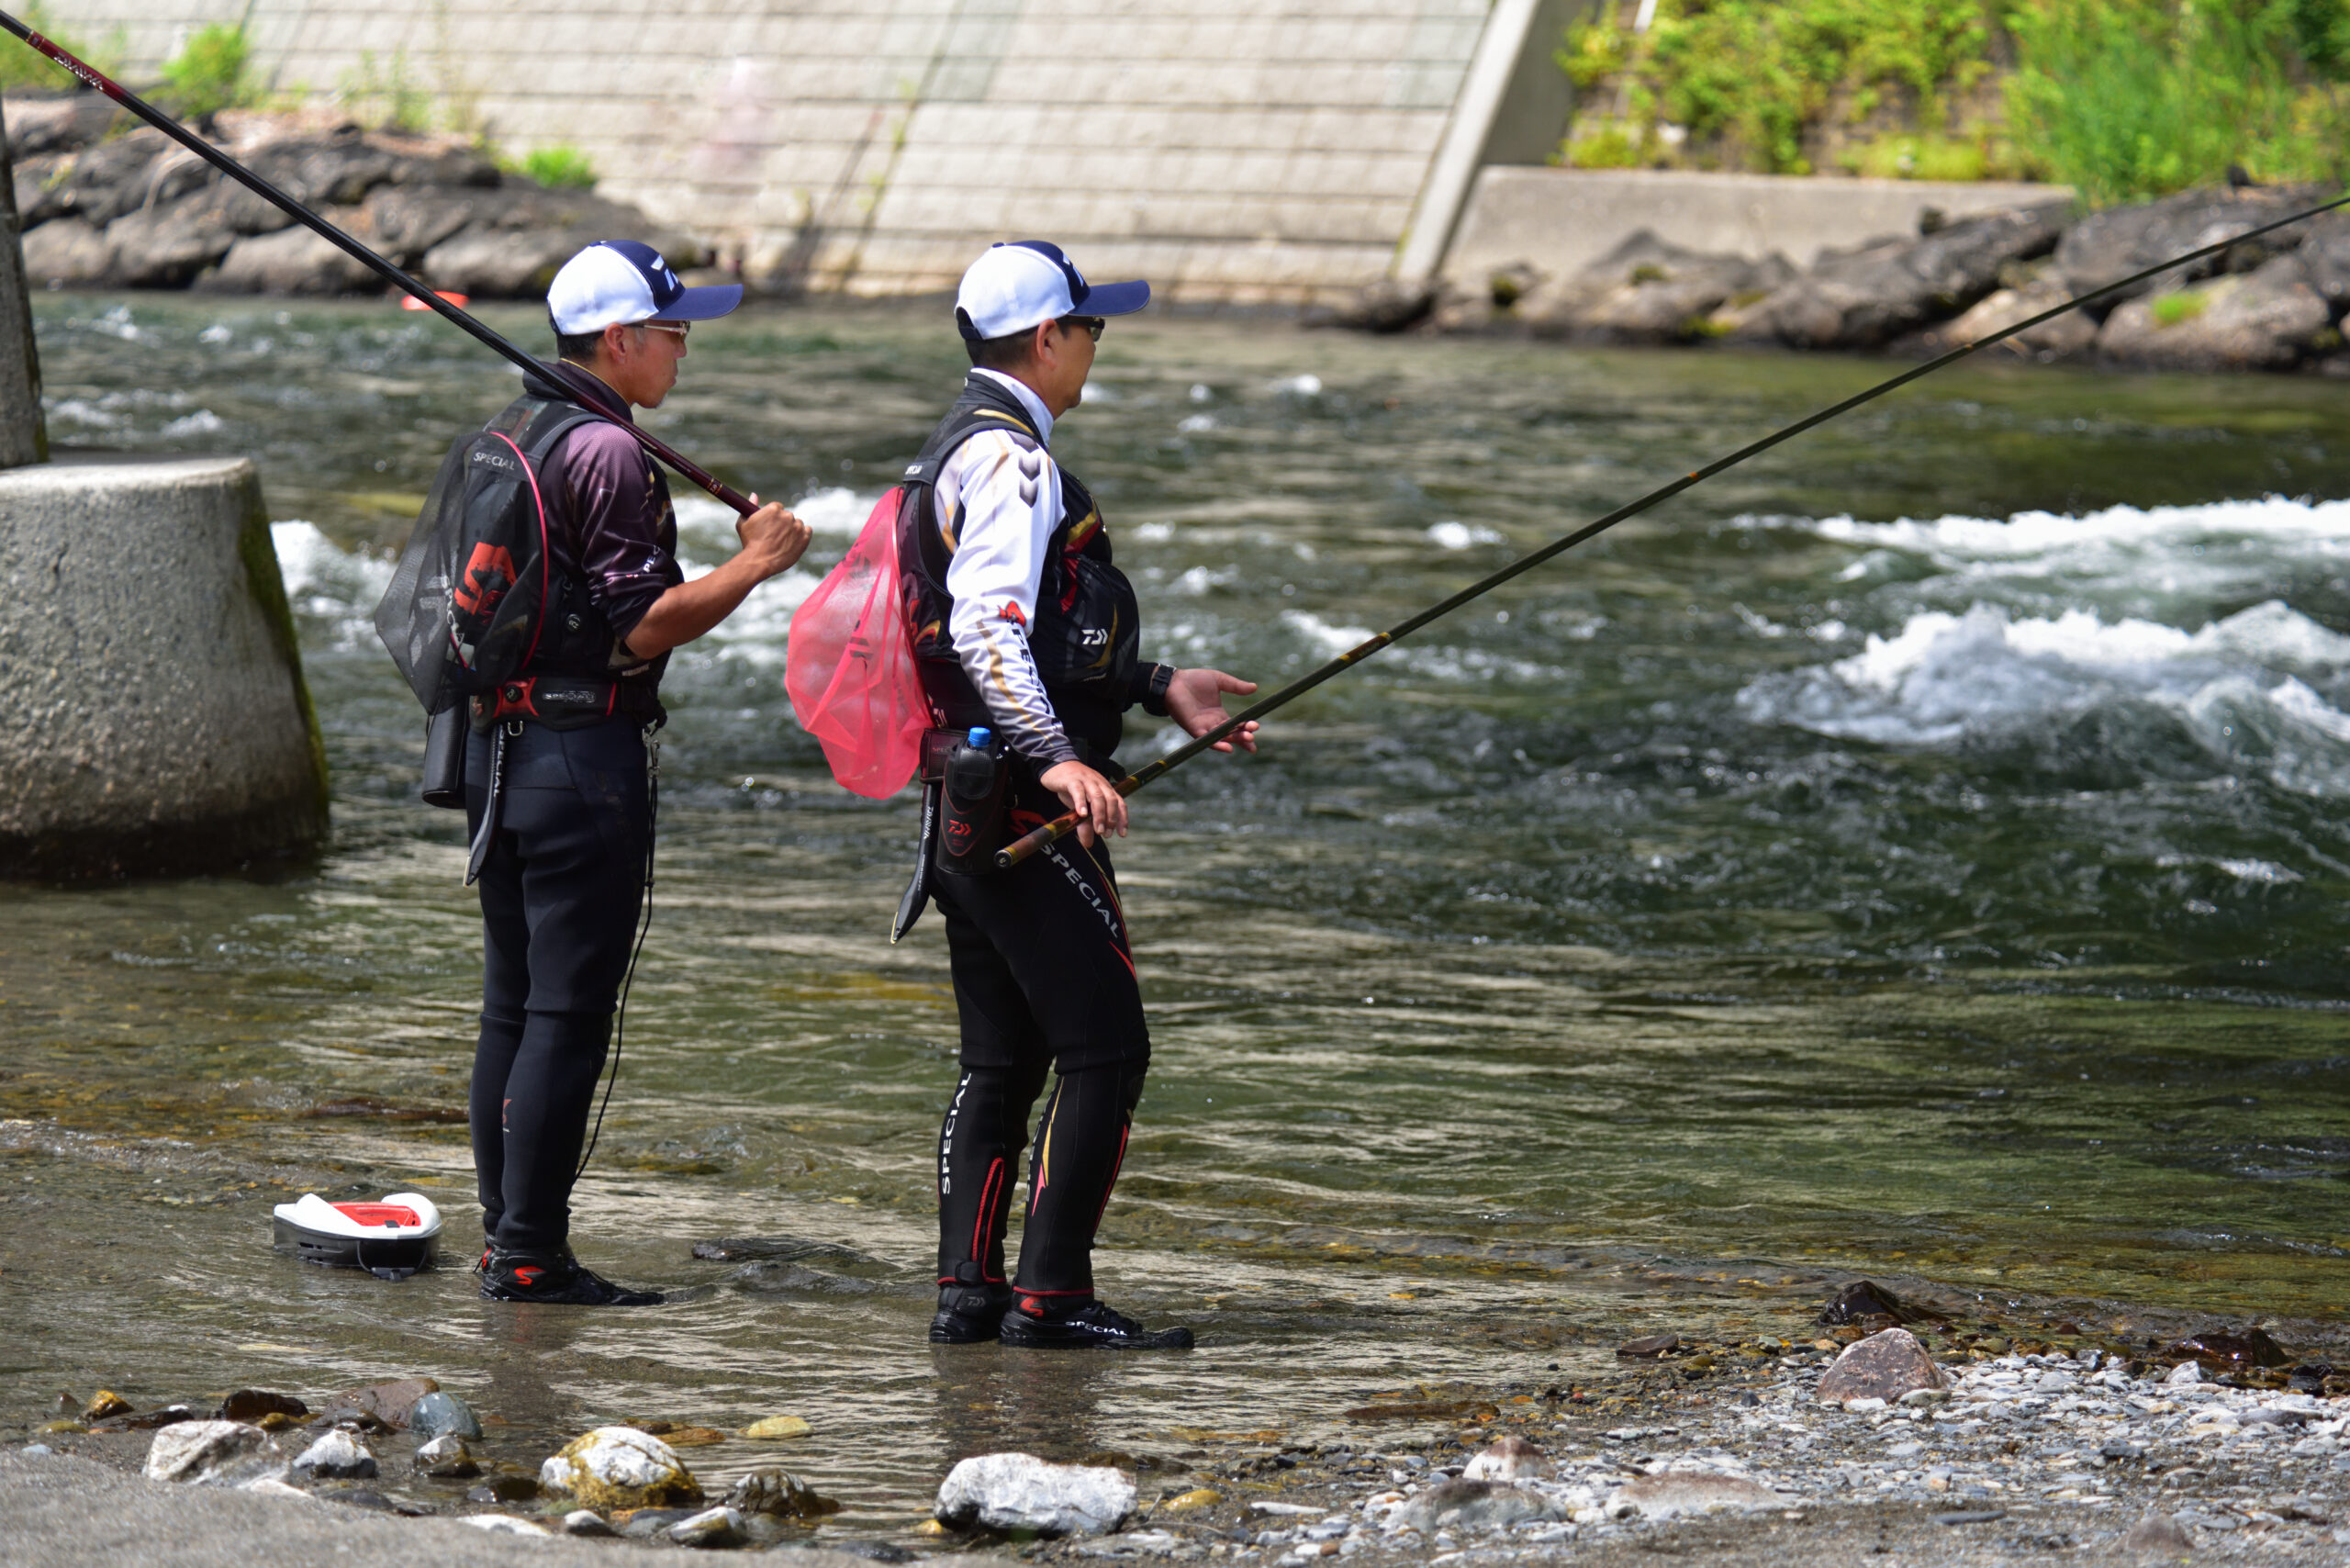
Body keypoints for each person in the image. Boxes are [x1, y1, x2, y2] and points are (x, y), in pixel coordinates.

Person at [904, 241, 1260, 1350]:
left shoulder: (951, 448)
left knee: (1000, 1056)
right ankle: (1051, 1296)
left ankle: (970, 1292)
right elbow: (988, 629)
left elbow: (1038, 630)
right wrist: (1058, 757)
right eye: (1090, 328)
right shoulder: (1013, 463)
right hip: (1018, 796)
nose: (1096, 347)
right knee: (1107, 1050)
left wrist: (1160, 688)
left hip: (961, 791)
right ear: (1047, 337)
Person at [467, 241, 811, 1306]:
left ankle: (504, 1237)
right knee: (564, 1014)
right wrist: (756, 562)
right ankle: (531, 1257)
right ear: (616, 339)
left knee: (511, 1008)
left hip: (504, 757)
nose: (683, 345)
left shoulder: (514, 430)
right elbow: (644, 626)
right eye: (672, 329)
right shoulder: (608, 455)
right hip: (582, 760)